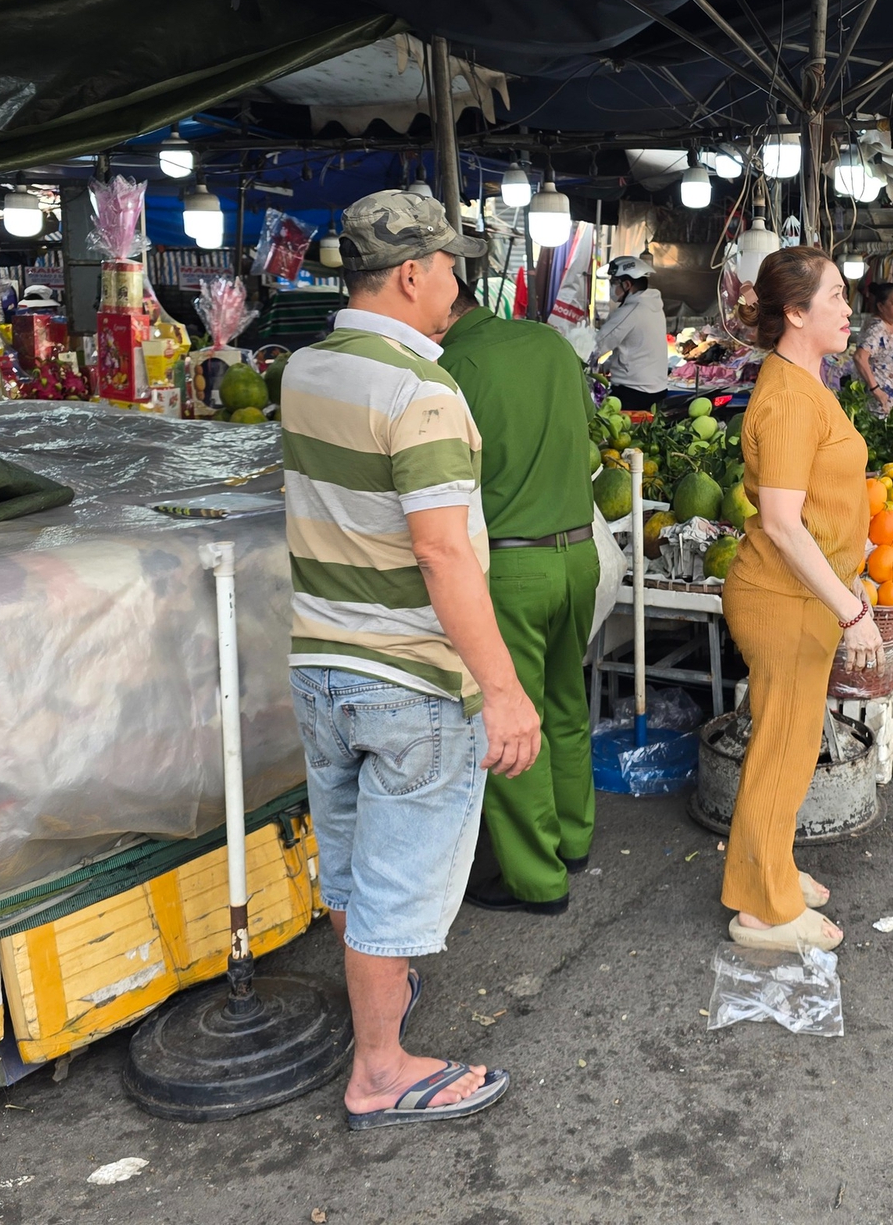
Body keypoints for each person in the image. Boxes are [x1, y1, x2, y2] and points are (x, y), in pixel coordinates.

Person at [278, 190, 540, 1129]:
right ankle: (380, 1071)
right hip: (409, 682)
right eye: (449, 270)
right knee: (393, 889)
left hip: (319, 667)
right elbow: (441, 553)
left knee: (351, 870)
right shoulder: (419, 393)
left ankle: (378, 1006)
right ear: (412, 273)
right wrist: (502, 691)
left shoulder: (306, 367)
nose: (456, 289)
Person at [720, 247, 883, 954]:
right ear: (794, 312)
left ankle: (774, 869)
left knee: (791, 748)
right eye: (837, 295)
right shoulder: (787, 397)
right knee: (781, 750)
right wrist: (854, 613)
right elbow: (784, 524)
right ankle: (760, 908)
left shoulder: (808, 380)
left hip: (808, 595)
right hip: (782, 600)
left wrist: (849, 584)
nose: (849, 309)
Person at [438, 277, 600, 914]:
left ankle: (535, 880)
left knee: (511, 722)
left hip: (511, 568)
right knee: (565, 704)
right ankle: (574, 841)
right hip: (579, 554)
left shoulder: (451, 368)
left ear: (445, 305)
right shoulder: (552, 344)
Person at [592, 256, 668, 410]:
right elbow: (634, 349)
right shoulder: (653, 306)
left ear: (627, 285)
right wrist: (607, 365)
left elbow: (597, 345)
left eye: (614, 282)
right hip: (657, 390)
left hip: (633, 394)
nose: (611, 287)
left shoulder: (631, 311)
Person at [851, 280, 893, 414]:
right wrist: (876, 389)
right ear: (881, 306)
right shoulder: (877, 328)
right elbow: (859, 357)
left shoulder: (892, 325)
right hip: (877, 406)